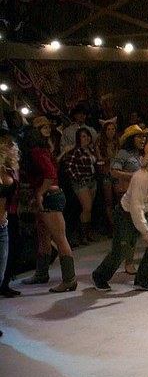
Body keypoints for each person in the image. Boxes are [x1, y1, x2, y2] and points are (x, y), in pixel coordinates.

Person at [91, 140, 148, 292]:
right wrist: (145, 231)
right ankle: (100, 276)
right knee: (121, 250)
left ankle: (143, 279)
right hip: (125, 213)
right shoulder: (141, 177)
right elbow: (135, 207)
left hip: (142, 212)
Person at [20, 118, 77, 293]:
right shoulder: (44, 150)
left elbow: (50, 174)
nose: (47, 130)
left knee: (59, 238)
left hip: (50, 196)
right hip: (48, 195)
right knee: (43, 237)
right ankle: (41, 273)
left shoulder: (38, 152)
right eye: (43, 128)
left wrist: (40, 193)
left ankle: (69, 279)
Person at [111, 124, 148, 275]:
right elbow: (114, 171)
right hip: (127, 197)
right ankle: (128, 262)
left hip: (143, 197)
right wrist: (134, 176)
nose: (143, 139)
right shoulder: (123, 153)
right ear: (131, 139)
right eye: (139, 136)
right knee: (130, 233)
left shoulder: (143, 154)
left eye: (144, 137)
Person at [62, 127, 97, 246]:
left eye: (87, 136)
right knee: (86, 207)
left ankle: (87, 232)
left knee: (90, 208)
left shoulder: (90, 150)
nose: (86, 138)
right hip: (82, 182)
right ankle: (83, 236)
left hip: (92, 180)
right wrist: (77, 178)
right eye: (83, 136)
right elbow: (68, 166)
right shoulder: (76, 151)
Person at [0, 129, 20, 300]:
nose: (12, 145)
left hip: (7, 219)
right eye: (8, 142)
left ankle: (5, 285)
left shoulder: (10, 167)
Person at [94, 118, 120, 237]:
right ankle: (112, 226)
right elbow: (100, 159)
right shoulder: (100, 143)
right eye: (108, 129)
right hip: (106, 173)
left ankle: (121, 225)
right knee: (109, 201)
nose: (110, 132)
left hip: (117, 172)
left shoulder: (118, 142)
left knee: (120, 200)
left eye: (112, 129)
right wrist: (110, 159)